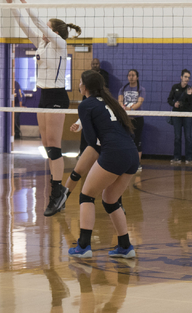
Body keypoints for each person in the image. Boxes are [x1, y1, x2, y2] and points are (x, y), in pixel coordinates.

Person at [0, 0, 81, 216]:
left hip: (57, 96)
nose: (42, 30)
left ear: (54, 32)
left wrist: (24, 1)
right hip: (43, 96)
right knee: (48, 148)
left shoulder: (59, 44)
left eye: (47, 28)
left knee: (54, 148)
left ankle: (57, 194)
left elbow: (35, 22)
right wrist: (9, 3)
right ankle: (57, 192)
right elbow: (24, 25)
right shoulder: (43, 45)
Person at [68, 70, 138, 259]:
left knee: (87, 195)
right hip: (131, 153)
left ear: (85, 87)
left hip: (114, 154)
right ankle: (125, 246)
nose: (78, 85)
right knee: (110, 199)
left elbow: (92, 141)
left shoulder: (85, 105)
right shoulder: (111, 102)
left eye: (80, 82)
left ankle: (83, 246)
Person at [79, 59, 110, 154]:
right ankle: (82, 152)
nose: (95, 65)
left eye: (80, 82)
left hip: (107, 149)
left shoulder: (86, 105)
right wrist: (79, 124)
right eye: (93, 64)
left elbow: (91, 139)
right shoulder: (108, 103)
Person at [118, 69, 145, 172]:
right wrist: (123, 107)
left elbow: (139, 103)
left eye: (133, 75)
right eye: (129, 75)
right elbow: (120, 101)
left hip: (137, 118)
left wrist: (131, 108)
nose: (131, 77)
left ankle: (137, 164)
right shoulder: (123, 88)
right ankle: (126, 163)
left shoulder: (141, 89)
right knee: (126, 141)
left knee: (137, 141)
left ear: (137, 77)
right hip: (126, 119)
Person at [167, 69, 192, 165]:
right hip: (177, 114)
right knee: (177, 137)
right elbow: (169, 100)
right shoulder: (175, 87)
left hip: (187, 114)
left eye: (188, 77)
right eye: (186, 77)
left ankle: (189, 158)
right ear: (181, 77)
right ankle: (177, 158)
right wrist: (174, 104)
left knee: (188, 137)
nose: (187, 79)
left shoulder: (191, 89)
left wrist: (190, 95)